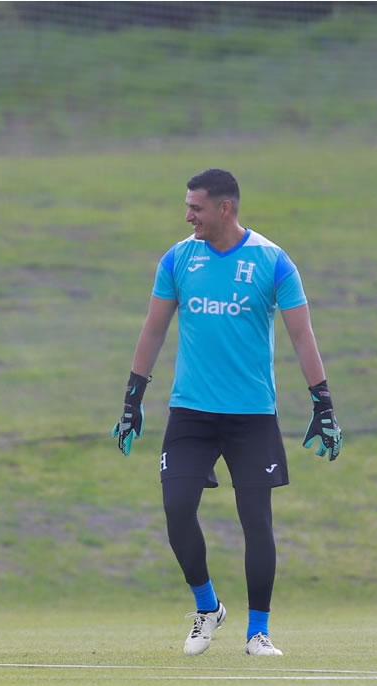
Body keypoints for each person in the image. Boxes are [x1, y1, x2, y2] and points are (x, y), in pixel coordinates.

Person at [114, 168, 341, 658]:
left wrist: (322, 401)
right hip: (191, 413)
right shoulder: (178, 259)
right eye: (187, 207)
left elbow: (302, 335)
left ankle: (258, 632)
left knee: (256, 522)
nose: (188, 216)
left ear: (225, 208)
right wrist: (133, 398)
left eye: (195, 207)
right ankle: (208, 607)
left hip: (251, 415)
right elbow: (153, 330)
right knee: (177, 509)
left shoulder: (273, 261)